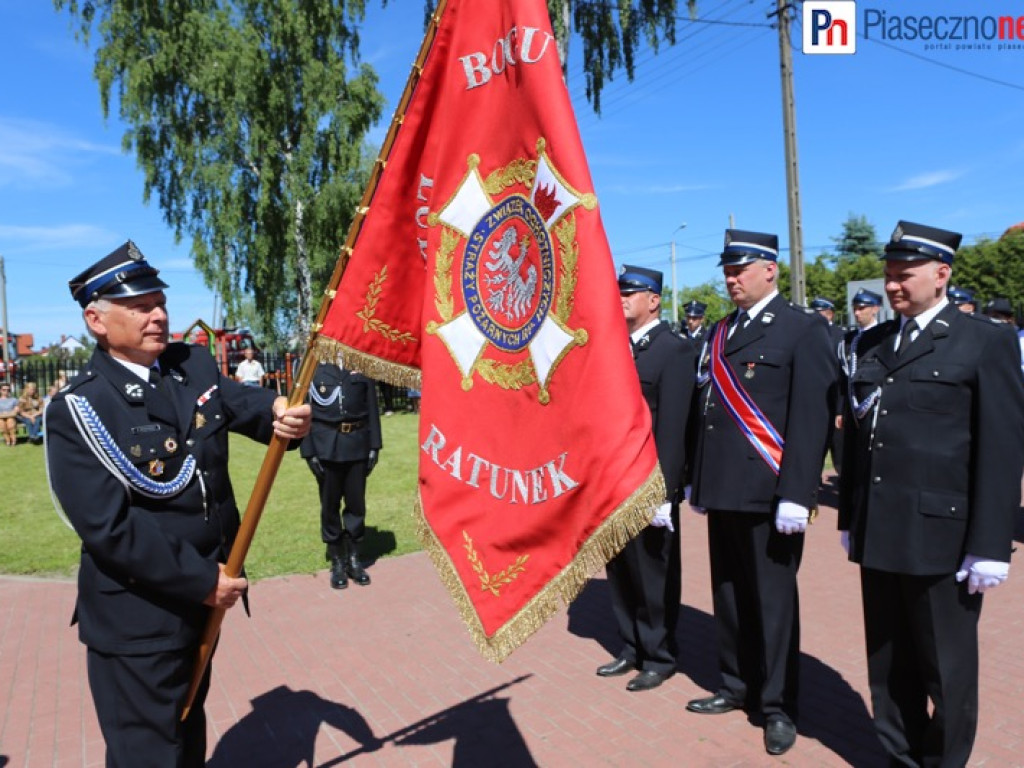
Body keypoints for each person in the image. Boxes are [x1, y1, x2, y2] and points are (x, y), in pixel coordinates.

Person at [44, 240, 311, 768]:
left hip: (201, 599)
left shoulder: (190, 364)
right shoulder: (80, 407)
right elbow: (109, 529)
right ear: (97, 320)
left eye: (159, 302)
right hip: (138, 615)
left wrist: (278, 408)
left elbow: (238, 402)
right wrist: (201, 580)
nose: (159, 315)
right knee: (149, 753)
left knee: (186, 735)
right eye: (140, 307)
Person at [838, 220, 1024, 767]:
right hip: (880, 527)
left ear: (942, 274)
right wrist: (851, 513)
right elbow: (858, 437)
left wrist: (992, 543)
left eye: (905, 275)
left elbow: (1001, 447)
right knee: (888, 660)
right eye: (890, 275)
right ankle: (899, 755)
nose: (894, 285)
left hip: (943, 534)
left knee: (946, 667)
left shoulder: (983, 341)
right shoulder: (872, 341)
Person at [686, 229, 836, 757]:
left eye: (741, 270)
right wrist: (696, 479)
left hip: (769, 492)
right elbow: (706, 411)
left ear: (770, 269)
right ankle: (735, 684)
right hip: (722, 486)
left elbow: (811, 417)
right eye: (727, 271)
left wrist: (798, 492)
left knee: (772, 604)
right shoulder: (720, 331)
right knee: (728, 595)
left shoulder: (801, 330)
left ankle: (778, 706)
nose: (731, 279)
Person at [596, 265, 694, 691]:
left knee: (653, 570)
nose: (621, 298)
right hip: (613, 478)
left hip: (649, 480)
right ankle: (631, 646)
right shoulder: (616, 347)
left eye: (630, 292)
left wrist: (665, 493)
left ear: (653, 300)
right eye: (619, 292)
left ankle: (659, 654)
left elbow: (673, 428)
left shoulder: (673, 350)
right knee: (620, 568)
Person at [301, 361, 382, 590]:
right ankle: (337, 560)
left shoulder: (361, 363)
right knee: (330, 506)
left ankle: (355, 559)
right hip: (325, 445)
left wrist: (374, 445)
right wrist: (309, 452)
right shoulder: (313, 367)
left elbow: (372, 407)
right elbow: (304, 411)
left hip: (357, 443)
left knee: (356, 504)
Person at [834, 288, 884, 476]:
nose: (857, 313)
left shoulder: (883, 336)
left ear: (875, 309)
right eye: (855, 308)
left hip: (874, 404)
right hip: (852, 407)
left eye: (862, 308)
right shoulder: (848, 340)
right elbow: (843, 377)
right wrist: (840, 409)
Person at [810, 297, 845, 473]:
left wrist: (840, 409)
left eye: (820, 313)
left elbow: (843, 375)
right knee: (814, 450)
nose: (815, 317)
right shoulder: (806, 334)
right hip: (814, 404)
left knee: (839, 451)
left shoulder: (841, 337)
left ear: (830, 314)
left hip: (835, 401)